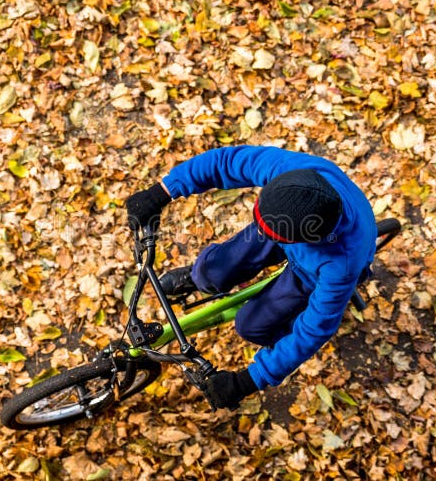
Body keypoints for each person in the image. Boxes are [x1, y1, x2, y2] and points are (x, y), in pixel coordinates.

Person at [125, 146, 377, 410]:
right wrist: (162, 192)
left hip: (311, 270)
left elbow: (315, 330)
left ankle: (286, 324)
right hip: (288, 227)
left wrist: (249, 380)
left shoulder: (341, 264)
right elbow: (225, 162)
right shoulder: (292, 172)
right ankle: (200, 277)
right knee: (208, 271)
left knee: (251, 326)